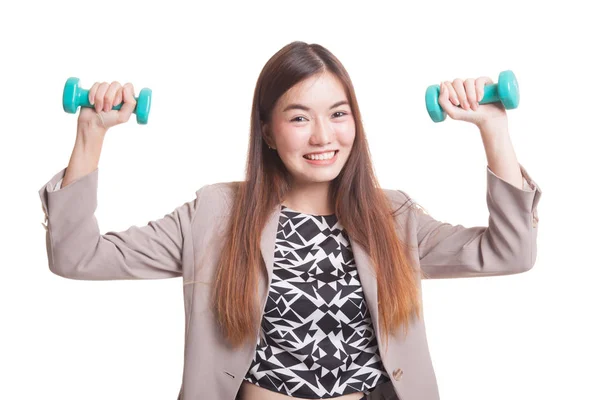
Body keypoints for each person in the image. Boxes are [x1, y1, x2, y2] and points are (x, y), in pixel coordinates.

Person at [38, 41, 542, 400]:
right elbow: (78, 257)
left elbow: (509, 252)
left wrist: (493, 128)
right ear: (269, 132)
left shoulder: (393, 218)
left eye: (338, 114)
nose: (323, 136)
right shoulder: (216, 215)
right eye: (299, 117)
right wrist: (91, 135)